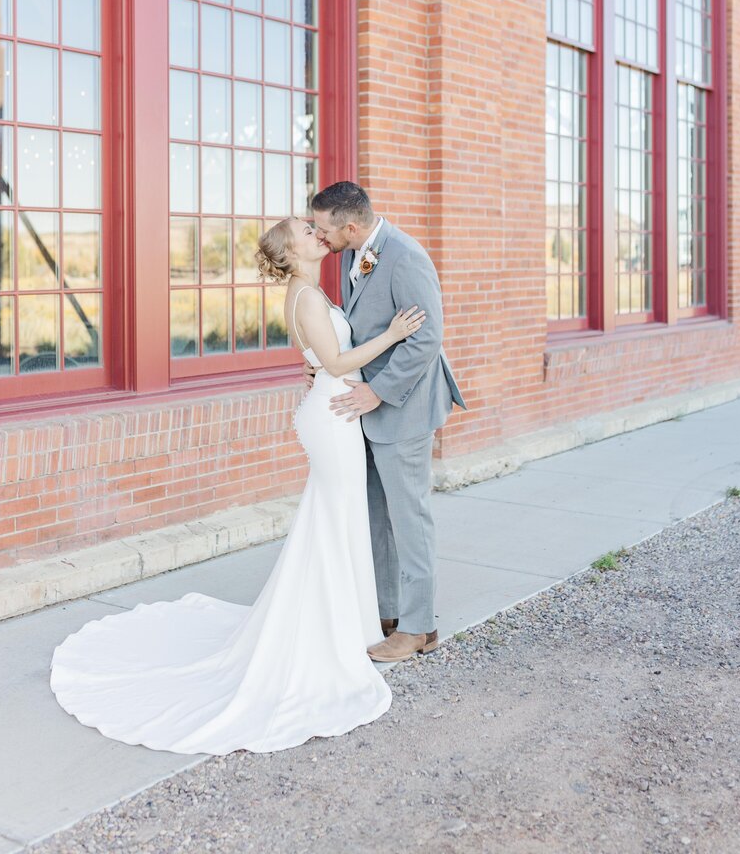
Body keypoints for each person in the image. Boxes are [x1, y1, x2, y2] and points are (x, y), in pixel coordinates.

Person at [48, 216, 426, 755]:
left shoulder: (311, 291)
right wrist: (391, 336)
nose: (317, 233)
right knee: (335, 520)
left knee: (335, 520)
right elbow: (339, 360)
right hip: (332, 417)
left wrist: (316, 364)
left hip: (333, 409)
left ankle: (348, 624)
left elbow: (322, 358)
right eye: (306, 230)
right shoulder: (308, 296)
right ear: (291, 250)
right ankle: (331, 633)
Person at [311, 181, 466, 663]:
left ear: (350, 227)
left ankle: (420, 628)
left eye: (322, 229)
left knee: (409, 517)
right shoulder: (349, 253)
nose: (319, 237)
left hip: (405, 406)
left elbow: (427, 339)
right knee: (377, 516)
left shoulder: (406, 257)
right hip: (365, 407)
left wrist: (377, 391)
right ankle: (390, 613)